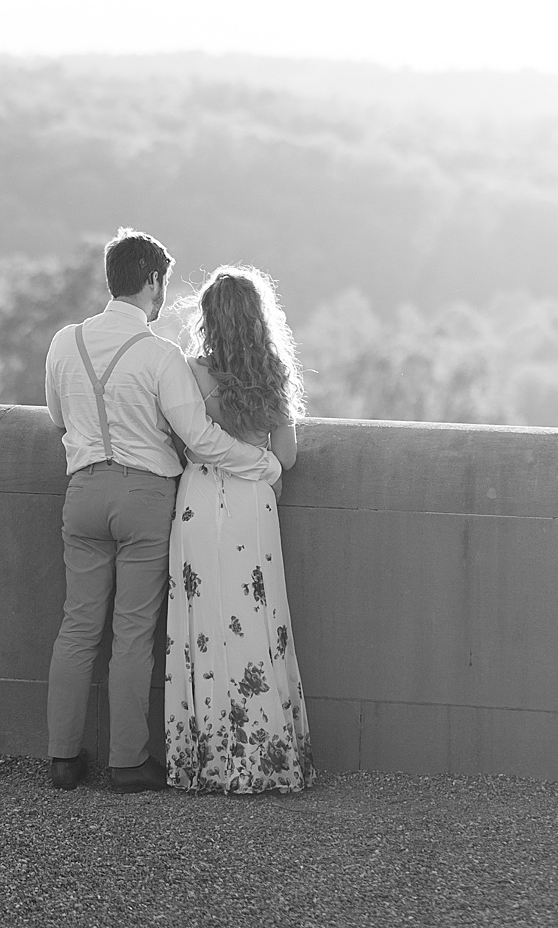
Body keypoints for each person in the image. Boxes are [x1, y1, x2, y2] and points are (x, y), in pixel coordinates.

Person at [42, 229, 282, 793]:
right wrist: (260, 464)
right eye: (161, 285)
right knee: (131, 632)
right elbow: (199, 438)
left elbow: (57, 418)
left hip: (81, 494)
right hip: (145, 498)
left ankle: (62, 760)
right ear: (151, 281)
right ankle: (128, 762)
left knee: (77, 627)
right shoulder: (158, 354)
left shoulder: (63, 342)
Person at [164, 264, 313, 793]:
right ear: (259, 319)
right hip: (253, 503)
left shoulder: (191, 372)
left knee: (200, 622)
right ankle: (264, 759)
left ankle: (205, 760)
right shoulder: (271, 374)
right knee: (256, 618)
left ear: (207, 319)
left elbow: (184, 439)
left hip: (200, 497)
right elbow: (287, 457)